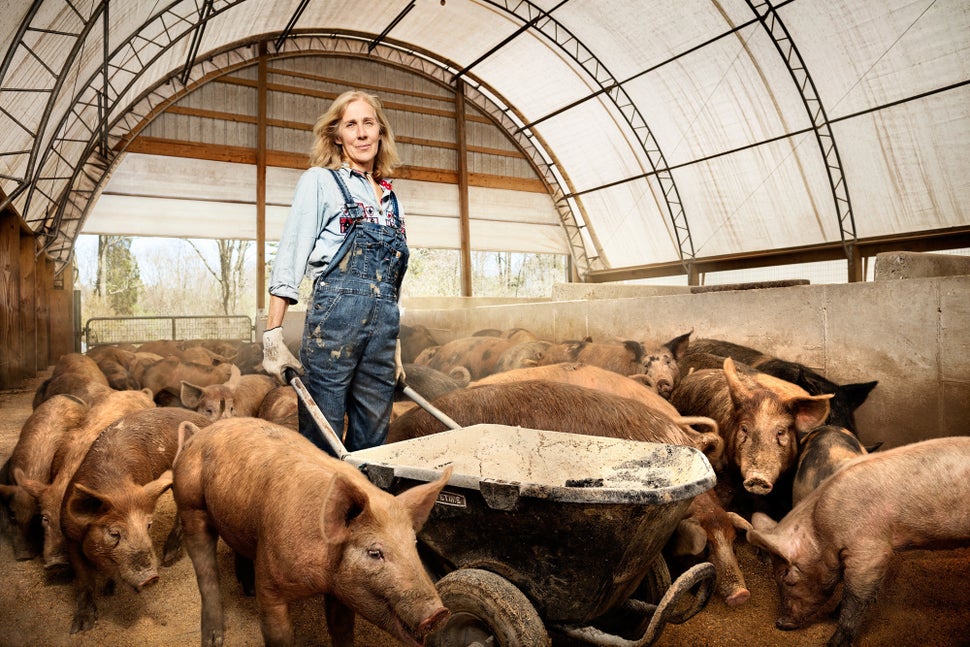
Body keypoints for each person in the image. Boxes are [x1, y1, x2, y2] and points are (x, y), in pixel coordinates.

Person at [261, 90, 408, 455]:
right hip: (334, 325)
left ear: (380, 133)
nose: (361, 133)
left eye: (368, 123)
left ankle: (366, 508)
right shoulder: (320, 182)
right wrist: (272, 334)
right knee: (322, 438)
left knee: (374, 442)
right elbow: (291, 255)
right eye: (351, 124)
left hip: (383, 332)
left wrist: (396, 345)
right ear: (337, 135)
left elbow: (393, 279)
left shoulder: (392, 200)